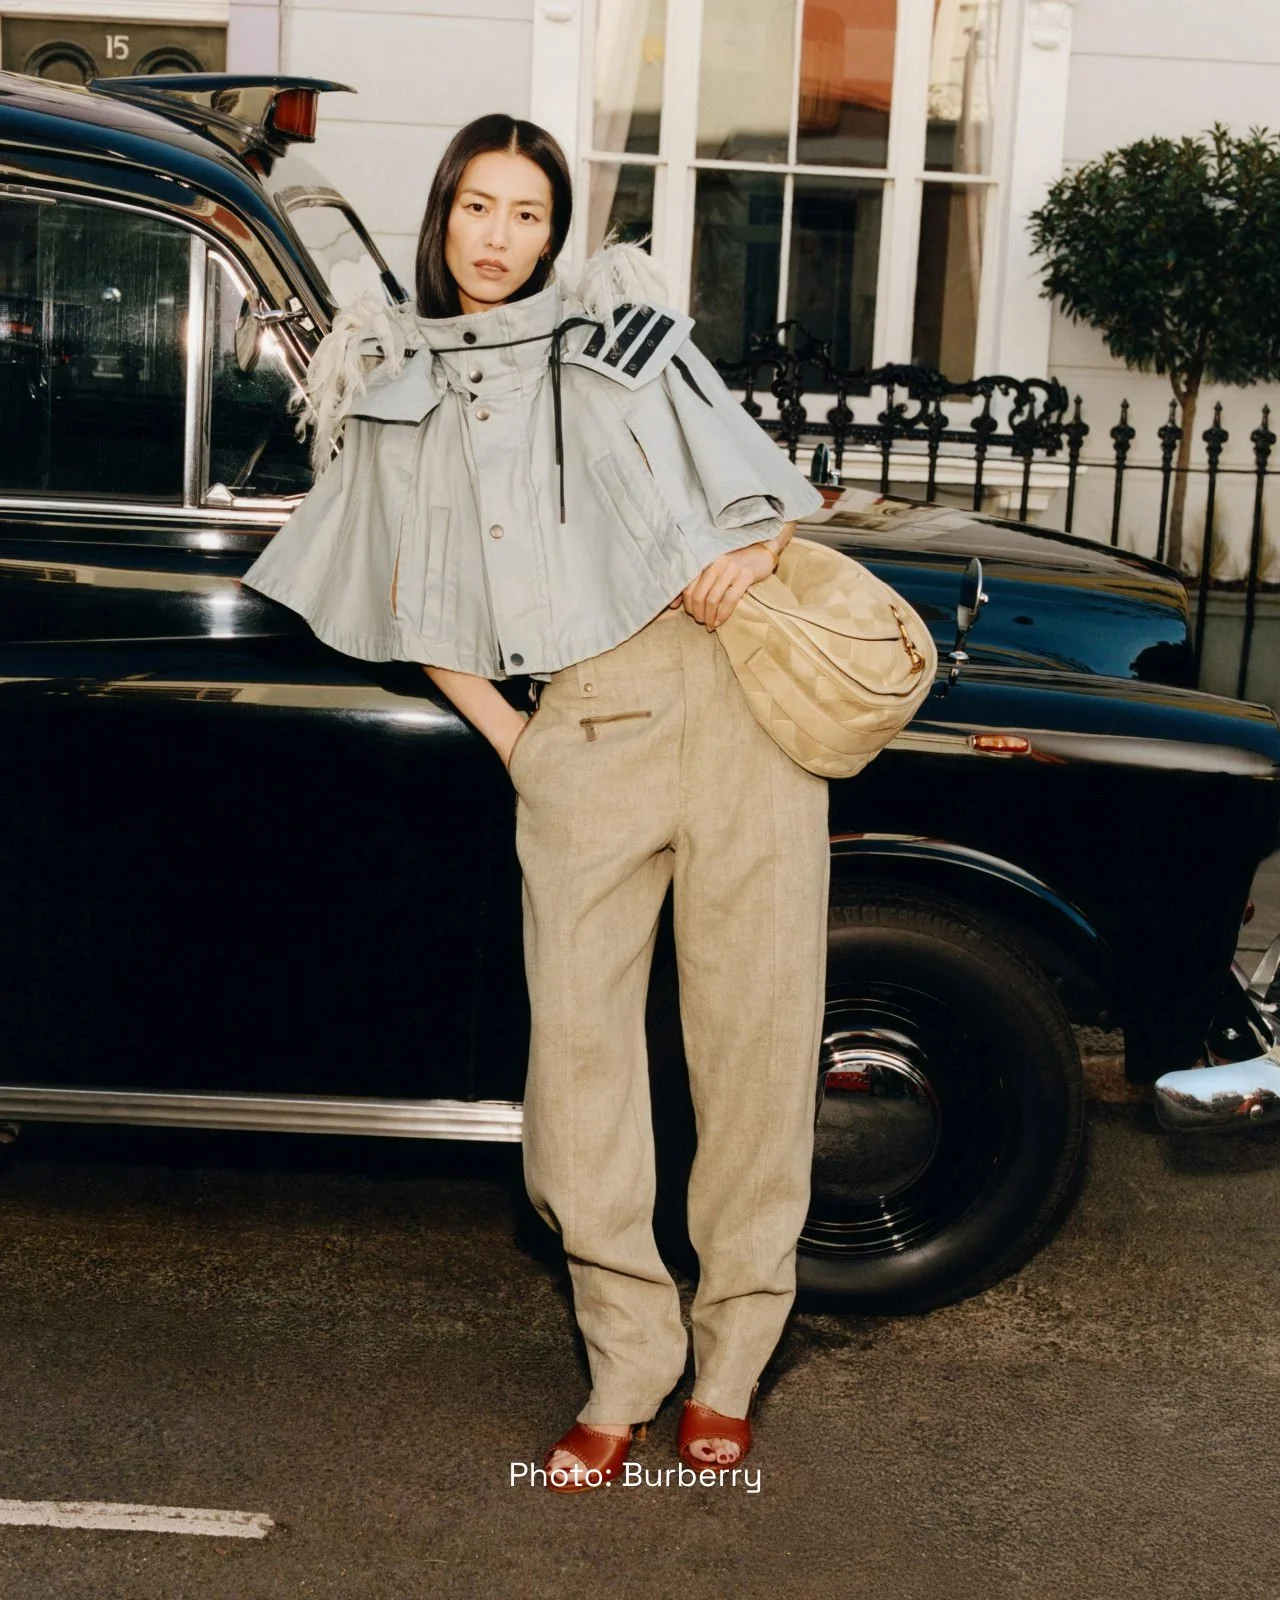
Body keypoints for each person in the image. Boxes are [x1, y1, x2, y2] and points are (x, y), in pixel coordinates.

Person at [240, 113, 830, 1492]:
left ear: (557, 230)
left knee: (750, 1047)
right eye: (478, 209)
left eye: (527, 213)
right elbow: (396, 589)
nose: (500, 237)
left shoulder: (620, 339)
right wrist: (516, 736)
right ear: (441, 220)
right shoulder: (395, 386)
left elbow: (769, 490)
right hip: (581, 732)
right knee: (576, 1073)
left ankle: (732, 1360)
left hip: (735, 713)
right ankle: (626, 1360)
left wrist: (756, 549)